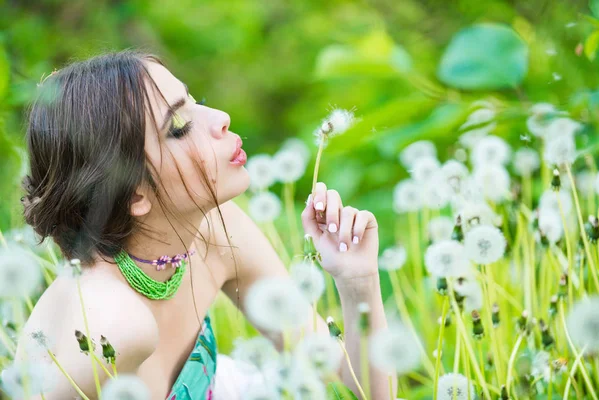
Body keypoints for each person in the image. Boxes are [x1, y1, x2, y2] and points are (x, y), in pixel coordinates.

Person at [14, 49, 394, 400]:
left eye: (196, 104)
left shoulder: (214, 232)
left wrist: (357, 281)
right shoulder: (113, 321)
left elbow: (353, 386)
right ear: (134, 195)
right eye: (179, 125)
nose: (220, 119)